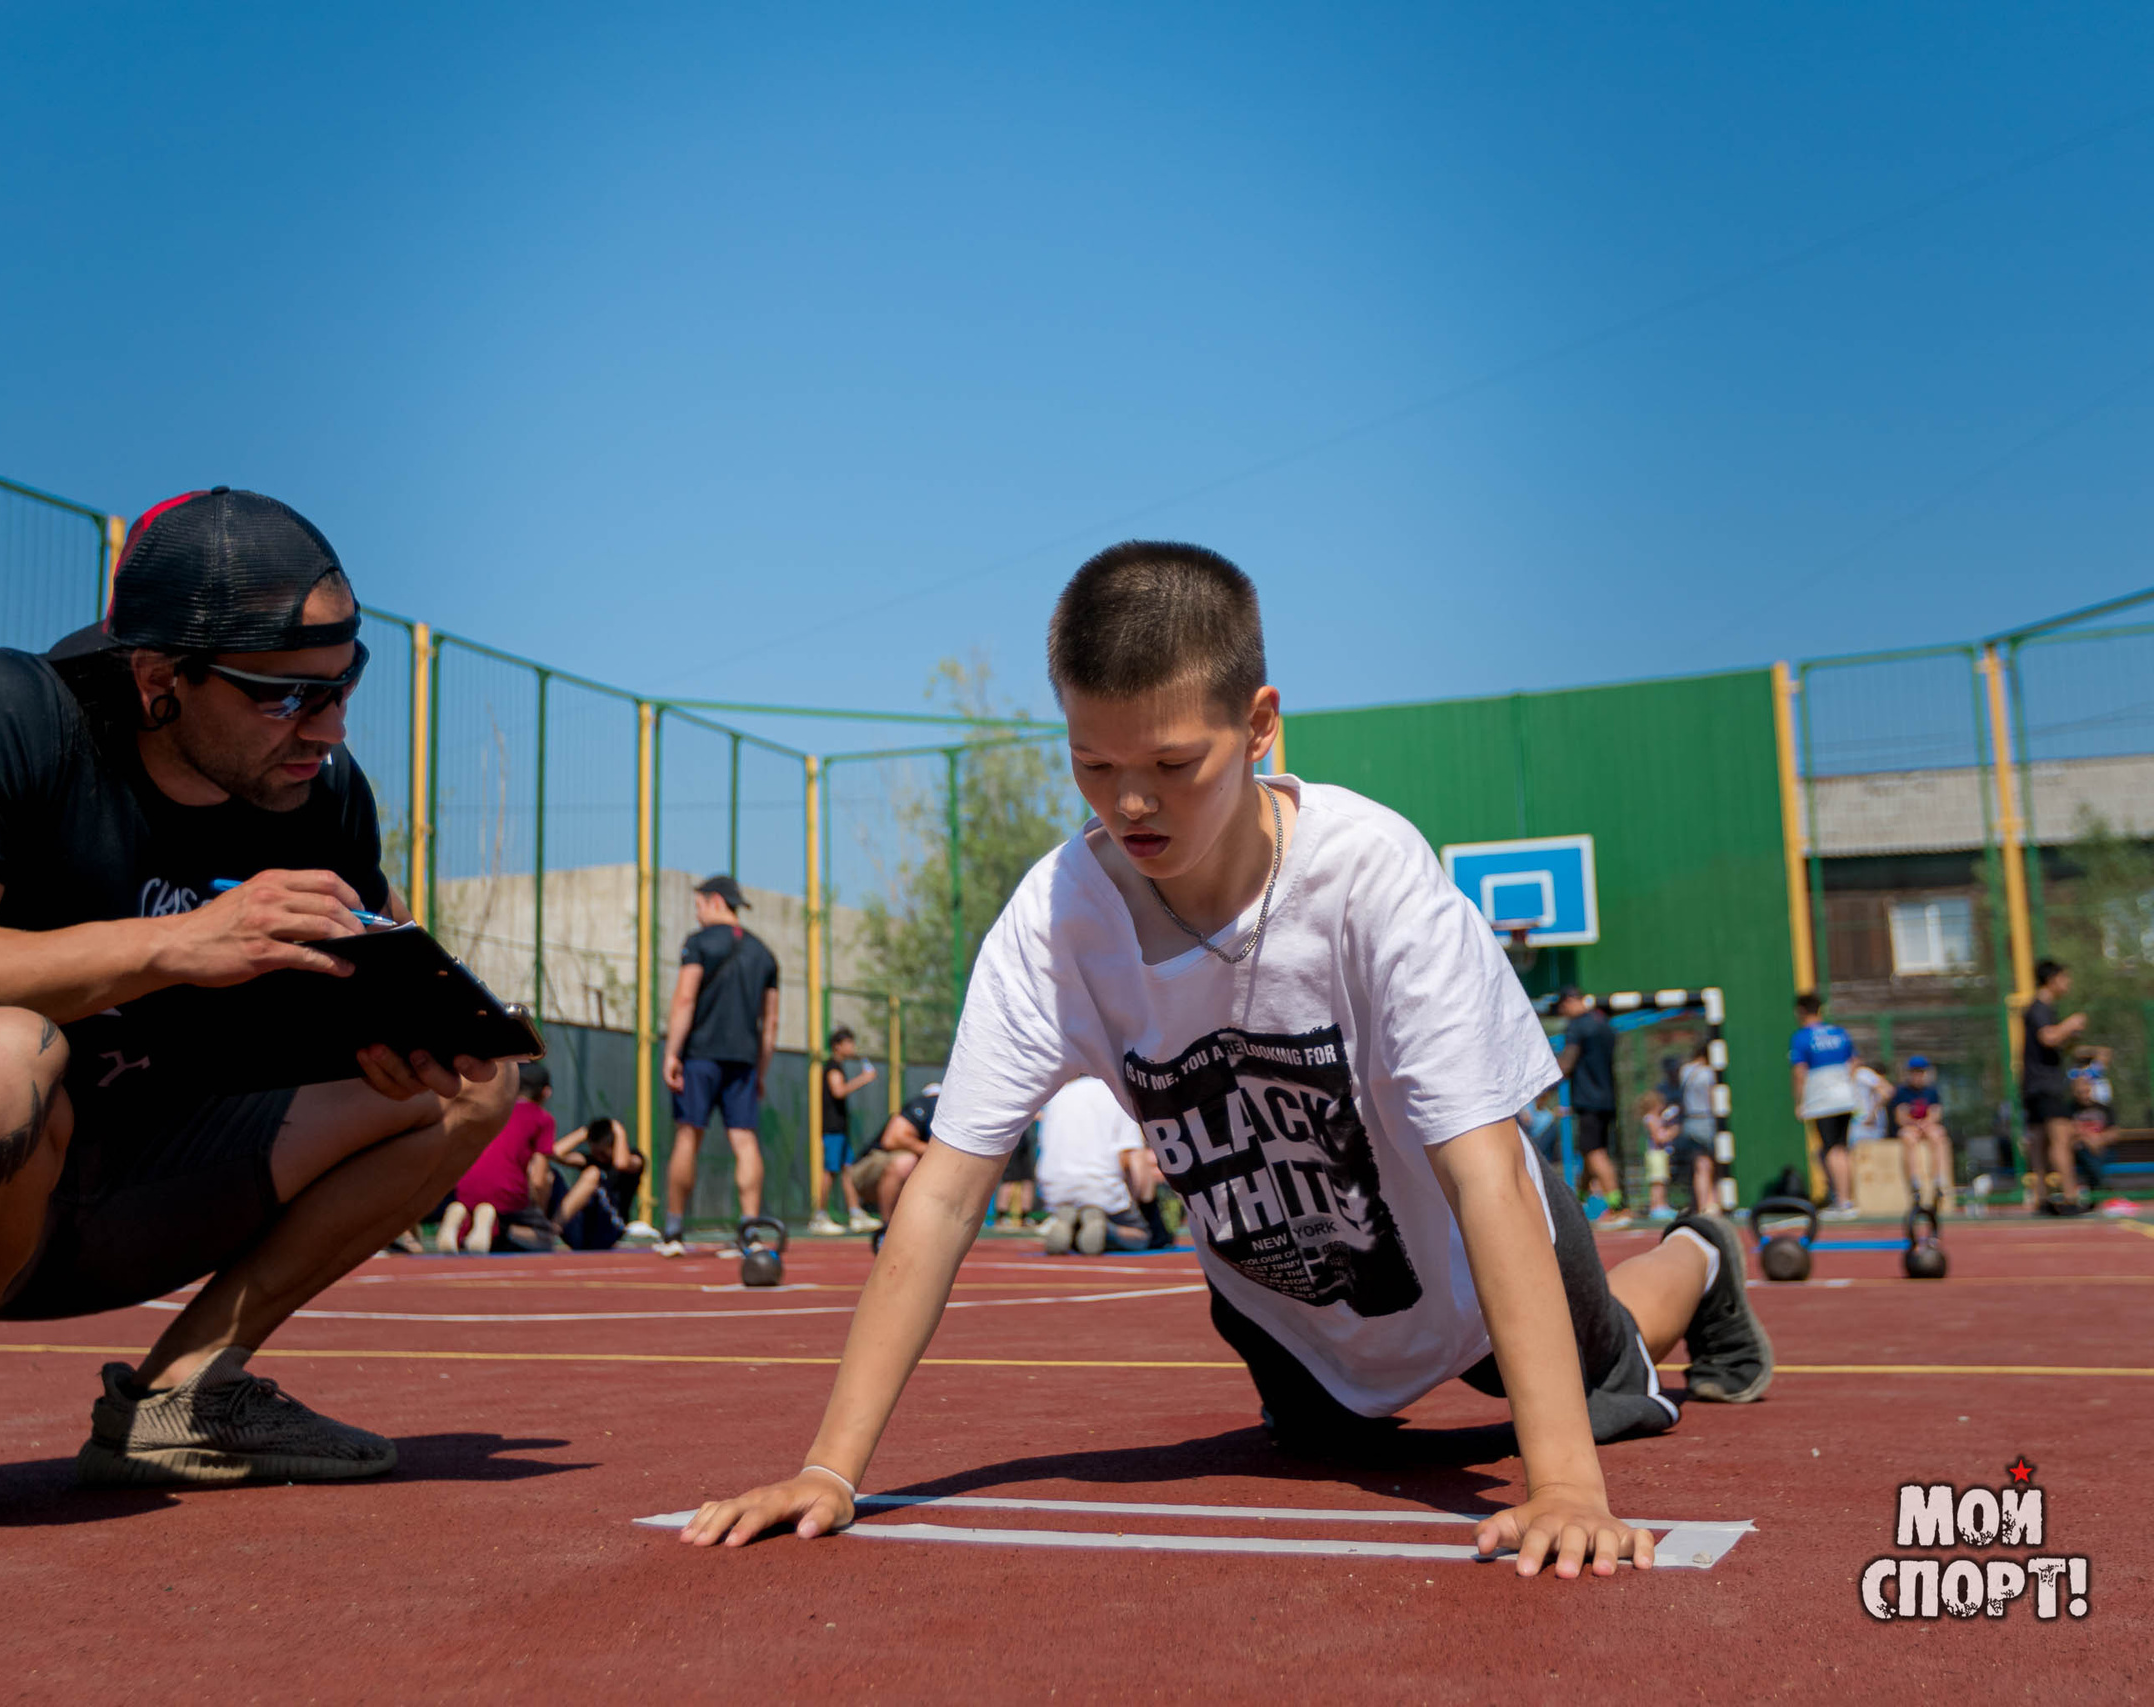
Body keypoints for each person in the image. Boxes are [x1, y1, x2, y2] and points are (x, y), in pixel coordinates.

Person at [682, 541, 1771, 1578]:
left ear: (1258, 726)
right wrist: (831, 1469)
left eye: (1170, 764)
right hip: (1291, 1310)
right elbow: (944, 1197)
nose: (1130, 803)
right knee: (1328, 1460)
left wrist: (1565, 1483)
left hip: (1481, 1268)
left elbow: (1482, 1169)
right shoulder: (1056, 922)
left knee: (1601, 1383)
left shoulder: (1369, 876)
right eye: (1092, 764)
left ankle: (1698, 1256)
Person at [0, 488, 522, 1549]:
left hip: (116, 1196)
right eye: (284, 697)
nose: (328, 730)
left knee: (471, 1084)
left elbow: (320, 1003)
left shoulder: (321, 796)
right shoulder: (12, 714)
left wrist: (384, 1025)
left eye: (342, 687)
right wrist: (166, 945)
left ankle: (178, 1400)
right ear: (159, 680)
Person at [658, 875, 779, 1256]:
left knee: (688, 1135)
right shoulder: (764, 953)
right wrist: (760, 1071)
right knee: (744, 1141)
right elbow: (770, 1024)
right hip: (743, 1059)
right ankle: (749, 1229)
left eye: (697, 905)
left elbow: (684, 999)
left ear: (713, 901)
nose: (697, 913)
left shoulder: (698, 943)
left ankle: (675, 1232)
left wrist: (671, 1053)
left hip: (700, 1055)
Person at [1033, 1076, 1172, 1255]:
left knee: (1083, 1222)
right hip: (1100, 1186)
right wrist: (1145, 1204)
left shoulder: (1059, 1096)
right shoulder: (1119, 1096)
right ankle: (1106, 1229)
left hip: (1055, 1186)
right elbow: (1135, 1159)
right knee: (1143, 1236)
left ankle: (1074, 1222)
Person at [439, 1061, 567, 1253]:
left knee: (480, 1213)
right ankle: (499, 1228)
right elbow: (539, 1179)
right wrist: (538, 1211)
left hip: (465, 1189)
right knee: (544, 1239)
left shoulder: (492, 1110)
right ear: (546, 1092)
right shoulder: (542, 1119)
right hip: (505, 1193)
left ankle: (463, 1220)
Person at [1554, 988, 1627, 1226]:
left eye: (1562, 1006)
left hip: (1589, 1101)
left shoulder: (1578, 1026)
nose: (1562, 1012)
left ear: (1568, 1002)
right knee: (1589, 1153)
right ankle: (1576, 1206)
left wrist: (1543, 1086)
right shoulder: (1604, 1024)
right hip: (1607, 1100)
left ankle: (1618, 1208)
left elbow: (1567, 1063)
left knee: (1595, 1153)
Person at [2024, 961, 2090, 1213]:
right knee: (2061, 1138)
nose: (2068, 983)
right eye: (2064, 978)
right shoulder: (2040, 1007)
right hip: (2046, 1084)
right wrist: (2070, 1025)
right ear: (2051, 979)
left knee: (2039, 1141)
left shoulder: (2041, 1009)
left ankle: (2042, 1198)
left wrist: (2069, 1038)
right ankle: (2071, 1197)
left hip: (2034, 1084)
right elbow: (2048, 1037)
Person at [1789, 995, 1860, 1219]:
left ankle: (1842, 1201)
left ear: (1801, 1011)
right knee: (1841, 1147)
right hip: (1845, 1096)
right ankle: (1845, 1198)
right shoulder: (1839, 1033)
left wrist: (1799, 1102)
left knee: (1830, 1149)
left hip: (1822, 1100)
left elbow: (1799, 1072)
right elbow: (1854, 1062)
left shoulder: (1801, 1037)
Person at [810, 1028, 880, 1235]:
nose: (852, 1047)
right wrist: (864, 1079)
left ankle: (855, 1213)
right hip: (832, 1128)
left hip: (840, 1128)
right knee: (830, 1171)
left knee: (847, 1170)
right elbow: (838, 1091)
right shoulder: (833, 1067)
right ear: (838, 1046)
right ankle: (819, 1216)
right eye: (849, 1043)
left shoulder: (839, 1066)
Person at [846, 1082, 940, 1230]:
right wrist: (935, 1152)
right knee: (905, 1162)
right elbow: (892, 1138)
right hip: (864, 1172)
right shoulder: (925, 1104)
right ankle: (888, 1229)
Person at [551, 1116, 644, 1251]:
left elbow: (621, 1163)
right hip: (584, 1230)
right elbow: (555, 1153)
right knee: (552, 1175)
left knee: (593, 1172)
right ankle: (547, 1229)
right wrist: (584, 1132)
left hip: (610, 1228)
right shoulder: (592, 1160)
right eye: (595, 1153)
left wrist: (618, 1130)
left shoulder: (634, 1159)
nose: (599, 1157)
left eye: (602, 1153)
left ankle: (553, 1227)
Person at [1892, 1056, 1952, 1207]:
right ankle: (1915, 1182)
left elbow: (1935, 1113)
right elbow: (1900, 1116)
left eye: (1920, 1072)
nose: (1917, 1076)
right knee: (1908, 1138)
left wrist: (1925, 1124)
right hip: (1911, 1127)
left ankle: (1938, 1179)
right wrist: (1915, 1124)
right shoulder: (1901, 1091)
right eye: (1914, 1072)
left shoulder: (1931, 1091)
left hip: (1926, 1126)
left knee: (1937, 1135)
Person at [1673, 1045, 1722, 1217]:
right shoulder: (1708, 1073)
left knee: (1700, 1166)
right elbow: (1713, 1097)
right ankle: (1712, 1202)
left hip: (1690, 1121)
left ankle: (1702, 1204)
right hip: (1706, 1120)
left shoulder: (1685, 1071)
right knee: (1714, 1165)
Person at [1634, 1090, 1680, 1222]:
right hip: (1656, 1155)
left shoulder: (1658, 1118)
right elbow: (1659, 1137)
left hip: (1660, 1154)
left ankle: (1661, 1204)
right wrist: (1673, 1131)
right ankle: (1657, 1206)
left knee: (1662, 1180)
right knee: (1657, 1181)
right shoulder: (1650, 1119)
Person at [1851, 1056, 1893, 1145]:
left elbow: (1887, 1091)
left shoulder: (1862, 1073)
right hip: (1867, 1123)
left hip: (1865, 1124)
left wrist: (1873, 1113)